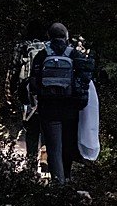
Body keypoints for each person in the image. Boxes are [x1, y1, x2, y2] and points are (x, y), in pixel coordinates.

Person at [24, 22, 93, 185]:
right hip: (70, 109)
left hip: (48, 109)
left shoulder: (41, 55)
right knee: (67, 145)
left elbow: (33, 84)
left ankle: (58, 185)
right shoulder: (74, 54)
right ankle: (67, 180)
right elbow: (86, 79)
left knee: (54, 148)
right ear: (66, 37)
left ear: (49, 37)